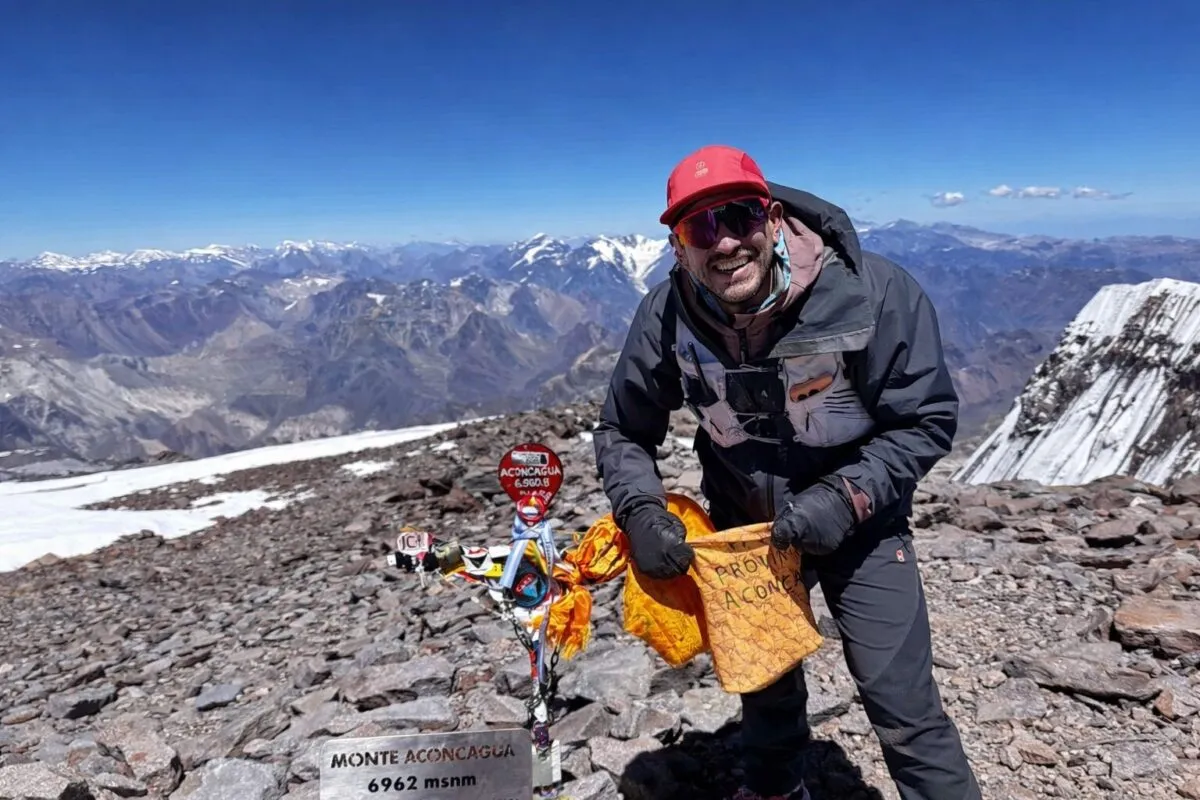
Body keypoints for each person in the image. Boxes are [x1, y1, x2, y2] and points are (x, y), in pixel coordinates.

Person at [592, 144, 982, 800]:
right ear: (676, 247)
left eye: (739, 216)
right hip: (746, 533)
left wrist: (847, 495)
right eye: (699, 228)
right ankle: (774, 790)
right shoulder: (666, 316)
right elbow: (624, 429)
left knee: (905, 711)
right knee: (765, 681)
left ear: (772, 219)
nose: (725, 243)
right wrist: (640, 511)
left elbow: (924, 420)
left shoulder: (872, 295)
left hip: (863, 528)